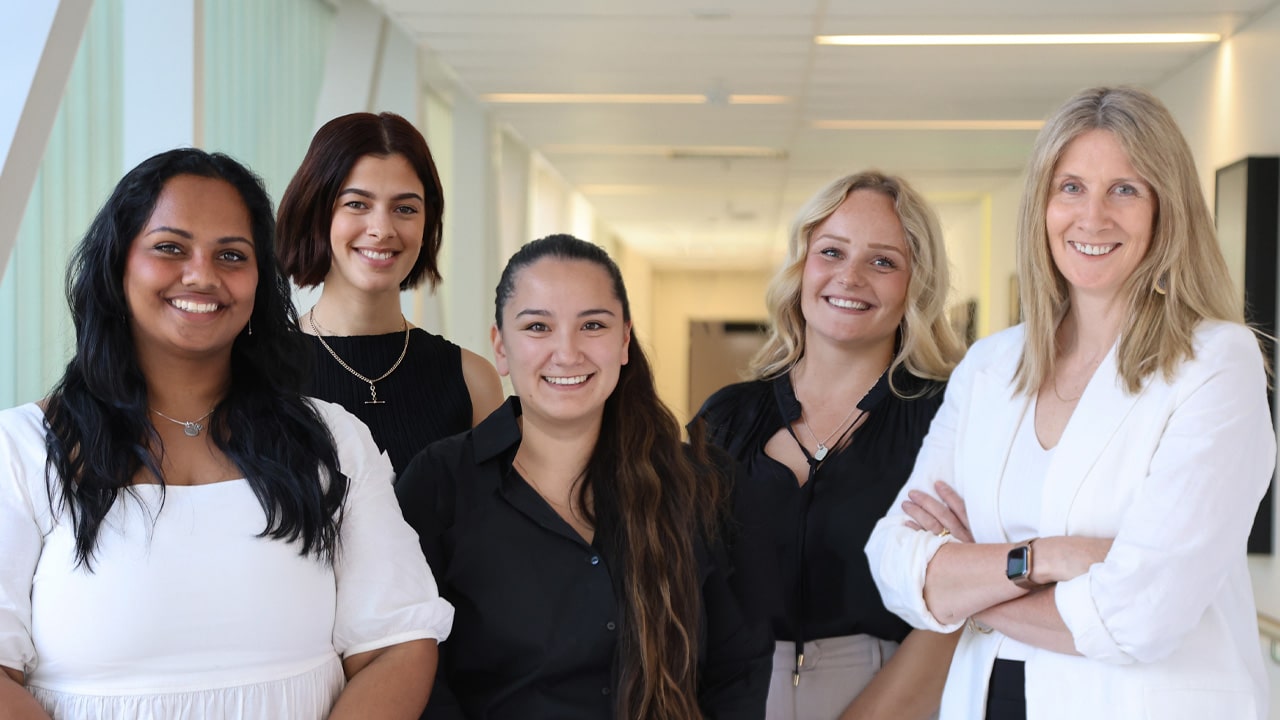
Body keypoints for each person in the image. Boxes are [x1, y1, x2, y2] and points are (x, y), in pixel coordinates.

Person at [865, 86, 1276, 720]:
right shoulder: (990, 366)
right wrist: (1047, 559)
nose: (1093, 218)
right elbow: (897, 566)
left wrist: (969, 583)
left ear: (1168, 210)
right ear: (1042, 206)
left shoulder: (1216, 361)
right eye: (1072, 187)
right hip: (989, 697)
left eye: (1126, 190)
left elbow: (1141, 613)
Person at [0, 149, 454, 719]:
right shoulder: (22, 450)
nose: (202, 274)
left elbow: (398, 644)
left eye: (232, 255)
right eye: (170, 247)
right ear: (118, 265)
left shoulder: (333, 440)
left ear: (260, 281)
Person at [395, 234, 773, 719]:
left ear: (623, 342)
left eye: (592, 324)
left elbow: (738, 666)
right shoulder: (439, 483)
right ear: (501, 348)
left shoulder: (698, 483)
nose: (567, 352)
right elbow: (413, 669)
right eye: (538, 327)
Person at [694, 171, 967, 719]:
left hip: (898, 694)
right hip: (734, 694)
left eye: (883, 261)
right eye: (832, 252)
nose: (851, 277)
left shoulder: (951, 417)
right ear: (801, 268)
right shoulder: (727, 418)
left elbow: (961, 604)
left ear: (917, 283)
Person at [277, 111, 503, 475]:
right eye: (357, 204)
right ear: (317, 214)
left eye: (404, 208)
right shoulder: (259, 373)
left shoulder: (473, 380)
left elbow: (498, 528)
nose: (382, 229)